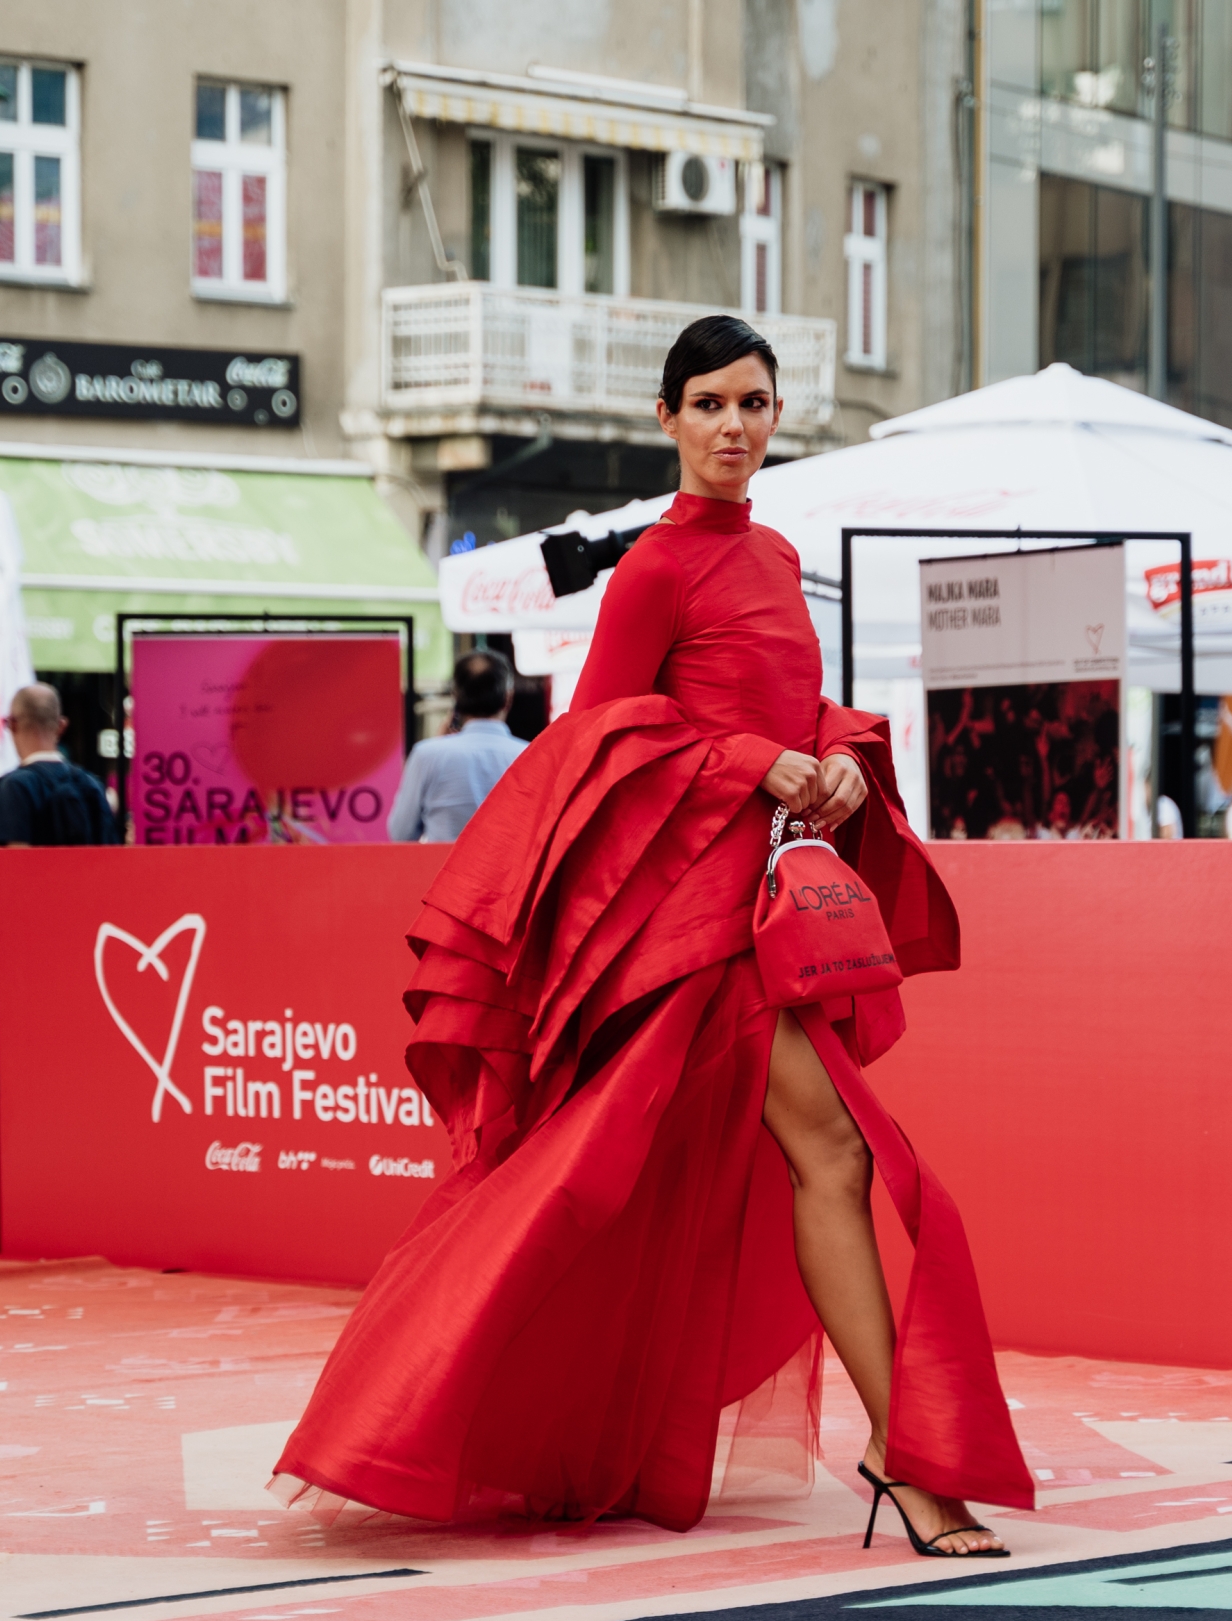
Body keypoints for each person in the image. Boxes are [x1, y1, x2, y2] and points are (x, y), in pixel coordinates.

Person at [274, 315, 1032, 1555]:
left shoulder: (778, 557)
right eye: (709, 405)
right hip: (694, 922)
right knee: (834, 1158)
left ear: (777, 416)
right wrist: (755, 760)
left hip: (770, 915)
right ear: (668, 420)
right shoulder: (655, 568)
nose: (735, 427)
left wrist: (836, 754)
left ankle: (899, 1447)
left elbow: (798, 698)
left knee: (742, 1170)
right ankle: (905, 1454)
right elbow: (593, 743)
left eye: (754, 403)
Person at [388, 652, 527, 843]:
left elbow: (401, 833)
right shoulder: (532, 756)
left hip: (440, 870)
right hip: (511, 872)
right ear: (508, 698)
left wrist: (436, 750)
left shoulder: (426, 755)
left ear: (456, 698)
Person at [0, 683, 117, 846]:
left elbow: (13, 862)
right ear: (61, 726)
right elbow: (111, 854)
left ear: (13, 725)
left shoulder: (11, 788)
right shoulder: (92, 786)